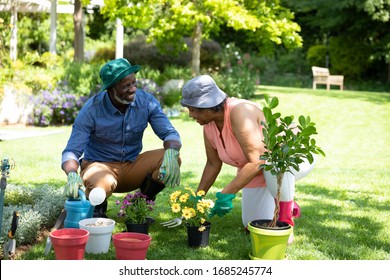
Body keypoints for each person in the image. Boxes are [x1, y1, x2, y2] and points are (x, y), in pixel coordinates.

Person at [180, 74, 302, 240]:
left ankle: (286, 217)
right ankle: (282, 202)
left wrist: (227, 193)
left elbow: (259, 159)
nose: (190, 115)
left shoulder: (240, 112)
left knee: (273, 165)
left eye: (193, 109)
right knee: (252, 224)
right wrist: (198, 196)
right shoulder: (209, 125)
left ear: (208, 107)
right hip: (258, 170)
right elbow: (212, 164)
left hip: (291, 155)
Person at [61, 58, 182, 218]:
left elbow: (169, 133)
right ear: (110, 89)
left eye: (134, 83)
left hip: (132, 166)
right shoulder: (92, 109)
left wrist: (172, 152)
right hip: (100, 168)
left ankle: (139, 206)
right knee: (102, 182)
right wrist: (71, 174)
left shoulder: (146, 102)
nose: (133, 89)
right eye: (126, 86)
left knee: (171, 157)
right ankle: (97, 212)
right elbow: (71, 151)